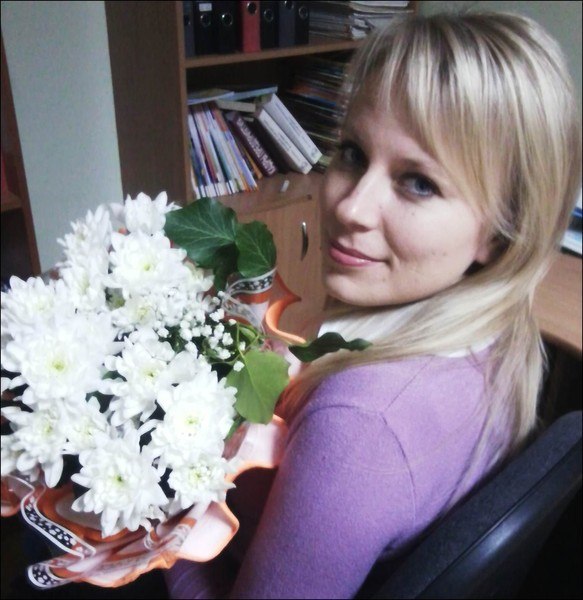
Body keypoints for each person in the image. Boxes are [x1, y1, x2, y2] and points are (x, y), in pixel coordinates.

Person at [166, 11, 581, 599]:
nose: (350, 208)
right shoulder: (494, 328)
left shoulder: (359, 427)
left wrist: (160, 524)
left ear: (500, 233)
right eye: (354, 154)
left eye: (418, 183)